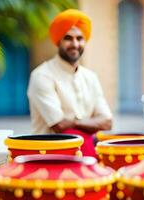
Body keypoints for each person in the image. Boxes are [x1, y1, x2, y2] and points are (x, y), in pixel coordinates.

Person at [27, 9, 112, 157]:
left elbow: (107, 122)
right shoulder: (42, 75)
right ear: (58, 41)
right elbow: (59, 125)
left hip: (86, 152)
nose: (75, 44)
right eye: (68, 38)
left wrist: (74, 122)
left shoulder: (90, 77)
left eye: (79, 38)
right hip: (48, 154)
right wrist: (90, 123)